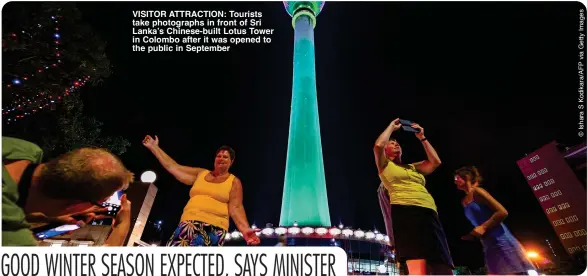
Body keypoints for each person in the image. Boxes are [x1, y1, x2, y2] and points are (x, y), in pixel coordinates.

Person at [2, 137, 133, 246]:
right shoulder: (12, 238)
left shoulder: (21, 149)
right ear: (77, 205)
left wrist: (42, 218)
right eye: (99, 204)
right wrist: (122, 226)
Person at [142, 135, 260, 246]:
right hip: (187, 225)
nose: (221, 159)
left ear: (231, 162)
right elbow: (173, 167)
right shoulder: (200, 174)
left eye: (225, 157)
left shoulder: (234, 181)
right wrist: (154, 147)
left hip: (214, 230)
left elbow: (236, 208)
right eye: (218, 156)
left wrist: (245, 229)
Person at [373, 118, 454, 275]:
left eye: (398, 143)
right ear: (385, 151)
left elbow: (435, 162)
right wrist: (391, 127)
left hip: (429, 212)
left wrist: (422, 138)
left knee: (441, 262)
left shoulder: (413, 167)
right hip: (406, 212)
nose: (396, 144)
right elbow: (377, 146)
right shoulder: (384, 165)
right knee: (417, 262)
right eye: (392, 143)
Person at [454, 166, 536, 275]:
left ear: (467, 177)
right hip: (488, 244)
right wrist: (472, 235)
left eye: (457, 177)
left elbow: (502, 212)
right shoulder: (464, 201)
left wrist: (483, 227)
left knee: (513, 272)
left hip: (502, 240)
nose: (455, 181)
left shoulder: (477, 192)